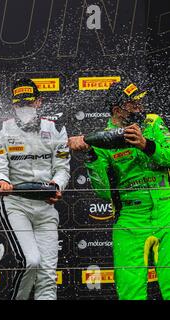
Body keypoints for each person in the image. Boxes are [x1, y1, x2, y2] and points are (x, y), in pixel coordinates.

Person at [68, 81, 170, 300]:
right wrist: (91, 157)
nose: (140, 108)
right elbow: (104, 191)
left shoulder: (153, 123)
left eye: (139, 103)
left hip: (166, 211)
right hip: (129, 220)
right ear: (117, 111)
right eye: (133, 104)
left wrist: (146, 144)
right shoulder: (102, 140)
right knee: (130, 292)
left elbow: (169, 156)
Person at [0, 78, 70, 300]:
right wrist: (1, 180)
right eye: (20, 104)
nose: (24, 107)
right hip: (16, 204)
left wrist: (57, 185)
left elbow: (63, 168)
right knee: (31, 261)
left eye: (28, 103)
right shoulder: (0, 130)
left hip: (46, 207)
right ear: (13, 105)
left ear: (39, 102)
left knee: (47, 274)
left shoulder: (56, 129)